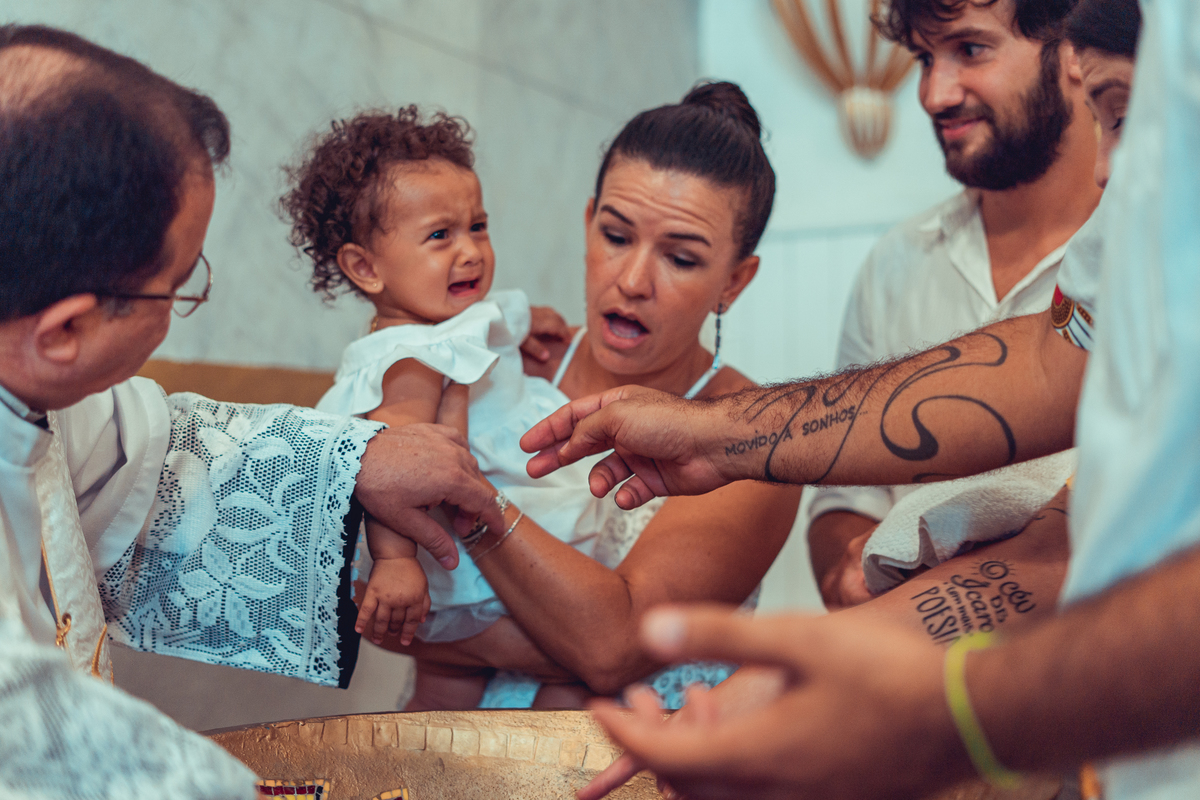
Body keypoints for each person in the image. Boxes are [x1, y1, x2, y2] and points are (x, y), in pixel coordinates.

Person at [530, 1, 1200, 798]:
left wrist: (941, 711)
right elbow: (1052, 369)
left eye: (1124, 115)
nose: (1104, 166)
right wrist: (720, 435)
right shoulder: (1119, 234)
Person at [0, 24, 503, 796]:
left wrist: (353, 457)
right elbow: (25, 731)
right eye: (177, 286)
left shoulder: (37, 396)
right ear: (65, 330)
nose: (180, 304)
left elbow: (154, 452)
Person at [376, 82, 804, 711]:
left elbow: (614, 649)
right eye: (616, 235)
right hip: (441, 744)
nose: (631, 281)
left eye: (680, 259)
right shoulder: (506, 361)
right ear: (587, 222)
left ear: (733, 282)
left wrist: (461, 491)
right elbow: (368, 597)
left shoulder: (753, 437)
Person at [282, 107, 596, 710]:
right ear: (365, 267)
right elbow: (388, 465)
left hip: (485, 548)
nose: (472, 251)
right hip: (459, 560)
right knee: (563, 675)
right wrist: (397, 563)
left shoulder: (453, 320)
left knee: (454, 689)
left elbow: (508, 317)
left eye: (477, 226)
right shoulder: (413, 358)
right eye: (440, 236)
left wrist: (535, 327)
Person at [808, 0, 1100, 608]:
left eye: (970, 49)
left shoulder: (1145, 254)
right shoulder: (896, 263)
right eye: (922, 57)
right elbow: (843, 500)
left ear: (1073, 50)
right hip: (899, 667)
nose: (934, 95)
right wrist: (850, 567)